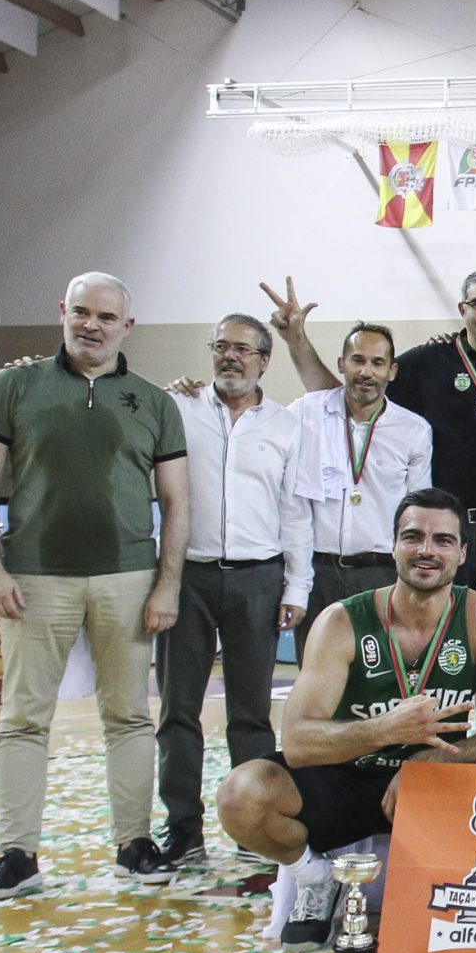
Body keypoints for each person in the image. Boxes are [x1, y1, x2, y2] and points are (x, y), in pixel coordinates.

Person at [214, 488, 476, 946]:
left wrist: (431, 764)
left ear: (462, 553)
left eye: (443, 540)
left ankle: (472, 889)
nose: (427, 550)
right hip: (348, 776)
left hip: (432, 786)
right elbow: (299, 739)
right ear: (393, 547)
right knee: (241, 794)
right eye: (413, 537)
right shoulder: (341, 621)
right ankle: (313, 877)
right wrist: (383, 730)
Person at [0, 273, 191, 900]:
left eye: (106, 316)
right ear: (62, 312)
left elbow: (176, 503)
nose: (92, 325)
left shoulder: (153, 402)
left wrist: (166, 584)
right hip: (33, 579)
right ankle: (17, 854)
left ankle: (134, 843)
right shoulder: (13, 385)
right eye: (81, 312)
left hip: (127, 577)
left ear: (128, 326)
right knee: (22, 720)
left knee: (127, 717)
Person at [265, 269, 476, 588]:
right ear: (462, 309)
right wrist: (297, 342)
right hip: (443, 524)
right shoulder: (428, 360)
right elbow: (344, 397)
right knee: (441, 631)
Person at [153, 313, 313, 867]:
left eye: (244, 349)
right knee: (178, 710)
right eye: (221, 347)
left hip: (258, 580)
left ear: (264, 360)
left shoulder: (287, 427)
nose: (231, 357)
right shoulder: (178, 409)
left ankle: (252, 829)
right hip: (187, 578)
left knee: (250, 714)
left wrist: (297, 585)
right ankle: (183, 830)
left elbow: (295, 513)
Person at [283, 323, 434, 659]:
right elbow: (257, 416)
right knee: (318, 683)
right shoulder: (306, 414)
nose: (366, 371)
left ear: (392, 371)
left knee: (380, 678)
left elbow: (417, 513)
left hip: (382, 574)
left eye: (378, 363)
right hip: (319, 573)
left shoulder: (412, 430)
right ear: (341, 364)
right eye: (357, 360)